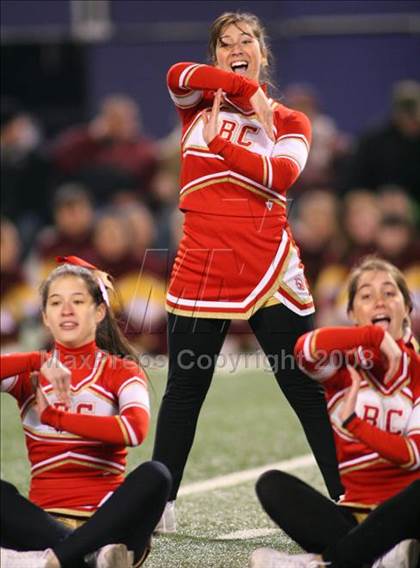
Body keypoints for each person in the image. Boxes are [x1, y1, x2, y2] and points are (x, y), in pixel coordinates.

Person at [152, 11, 343, 532]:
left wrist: (226, 146)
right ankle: (159, 504)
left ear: (264, 51)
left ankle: (351, 494)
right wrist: (240, 88)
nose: (237, 46)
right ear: (217, 56)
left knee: (304, 387)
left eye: (247, 41)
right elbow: (176, 74)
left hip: (268, 265)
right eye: (226, 43)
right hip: (203, 262)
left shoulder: (289, 120)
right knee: (185, 389)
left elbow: (282, 174)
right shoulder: (194, 109)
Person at [0, 256, 171, 567]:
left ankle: (50, 560)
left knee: (156, 475)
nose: (66, 310)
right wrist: (35, 361)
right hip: (46, 524)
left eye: (78, 301)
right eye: (56, 302)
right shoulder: (30, 374)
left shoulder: (122, 370)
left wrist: (58, 419)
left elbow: (135, 430)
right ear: (45, 316)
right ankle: (84, 558)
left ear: (99, 311)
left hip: (111, 524)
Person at [250, 257, 420, 568]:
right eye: (366, 296)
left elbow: (412, 454)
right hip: (354, 515)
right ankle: (381, 559)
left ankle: (323, 563)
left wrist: (353, 423)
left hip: (410, 513)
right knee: (272, 485)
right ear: (353, 313)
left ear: (407, 308)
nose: (379, 301)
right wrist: (372, 337)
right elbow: (304, 348)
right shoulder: (345, 365)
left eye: (390, 293)